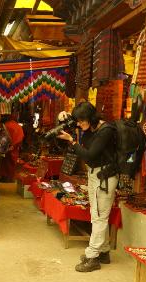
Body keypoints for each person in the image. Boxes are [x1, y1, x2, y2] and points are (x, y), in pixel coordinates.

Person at [57, 102, 118, 272]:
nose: (79, 124)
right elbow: (85, 153)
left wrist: (73, 142)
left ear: (90, 118)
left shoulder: (106, 131)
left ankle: (92, 257)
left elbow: (89, 155)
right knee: (96, 213)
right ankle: (103, 251)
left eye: (81, 121)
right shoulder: (89, 129)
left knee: (99, 216)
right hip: (95, 175)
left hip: (104, 177)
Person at [0, 114, 24, 182]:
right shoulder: (18, 126)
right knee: (11, 164)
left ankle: (5, 177)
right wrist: (15, 145)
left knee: (4, 163)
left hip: (6, 146)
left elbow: (2, 136)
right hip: (15, 148)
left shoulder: (6, 125)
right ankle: (10, 178)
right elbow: (21, 137)